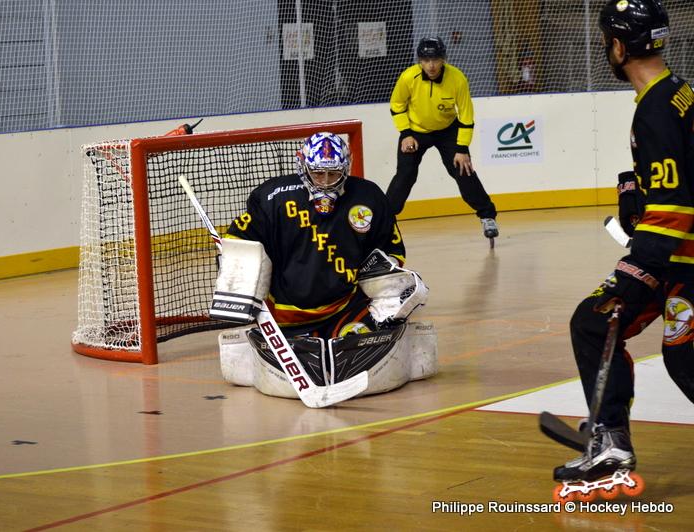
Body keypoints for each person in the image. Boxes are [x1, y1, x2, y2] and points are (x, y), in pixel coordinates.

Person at [555, 0, 694, 483]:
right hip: (676, 256)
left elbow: (675, 205)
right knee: (592, 323)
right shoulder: (677, 93)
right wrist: (638, 193)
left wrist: (636, 269)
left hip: (681, 260)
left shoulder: (655, 109)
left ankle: (610, 439)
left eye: (605, 43)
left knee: (685, 359)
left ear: (618, 46)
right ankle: (609, 442)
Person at [209, 132, 437, 399]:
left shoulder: (369, 197)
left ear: (346, 167)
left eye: (333, 174)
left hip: (345, 309)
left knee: (409, 288)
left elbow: (391, 252)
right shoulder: (272, 198)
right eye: (318, 174)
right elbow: (238, 243)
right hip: (285, 314)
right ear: (302, 166)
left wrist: (386, 289)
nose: (326, 183)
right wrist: (237, 273)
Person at [388, 36, 498, 241]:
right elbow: (397, 105)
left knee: (463, 171)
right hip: (415, 131)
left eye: (436, 59)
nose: (431, 65)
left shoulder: (457, 79)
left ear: (443, 59)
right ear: (419, 61)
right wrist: (405, 133)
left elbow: (466, 115)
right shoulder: (407, 78)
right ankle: (384, 220)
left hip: (448, 130)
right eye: (426, 60)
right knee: (405, 175)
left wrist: (462, 147)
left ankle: (487, 216)